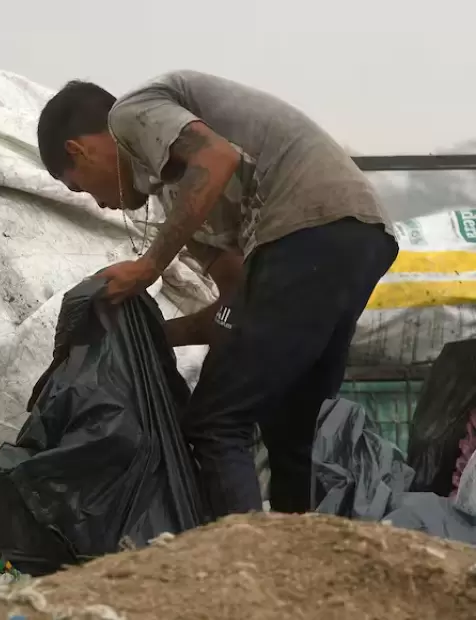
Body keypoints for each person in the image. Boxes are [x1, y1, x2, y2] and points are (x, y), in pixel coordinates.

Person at [36, 71, 398, 517]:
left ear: (80, 150)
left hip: (308, 228)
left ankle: (238, 559)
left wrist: (149, 266)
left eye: (79, 186)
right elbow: (236, 306)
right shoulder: (181, 200)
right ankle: (297, 555)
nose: (98, 202)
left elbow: (216, 156)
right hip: (358, 237)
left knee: (216, 422)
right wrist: (147, 334)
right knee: (290, 427)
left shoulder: (128, 115)